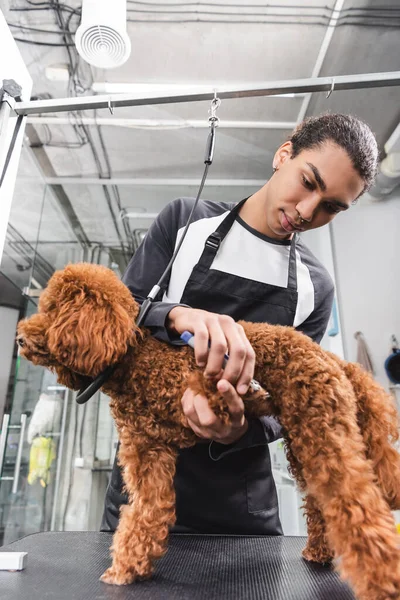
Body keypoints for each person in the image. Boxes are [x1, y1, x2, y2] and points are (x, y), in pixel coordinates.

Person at [101, 112, 378, 535]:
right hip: (142, 487)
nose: (307, 211)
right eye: (308, 182)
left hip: (240, 507)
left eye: (330, 207)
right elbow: (119, 319)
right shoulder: (184, 223)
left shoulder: (315, 286)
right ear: (283, 155)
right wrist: (175, 315)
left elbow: (291, 401)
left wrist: (242, 427)